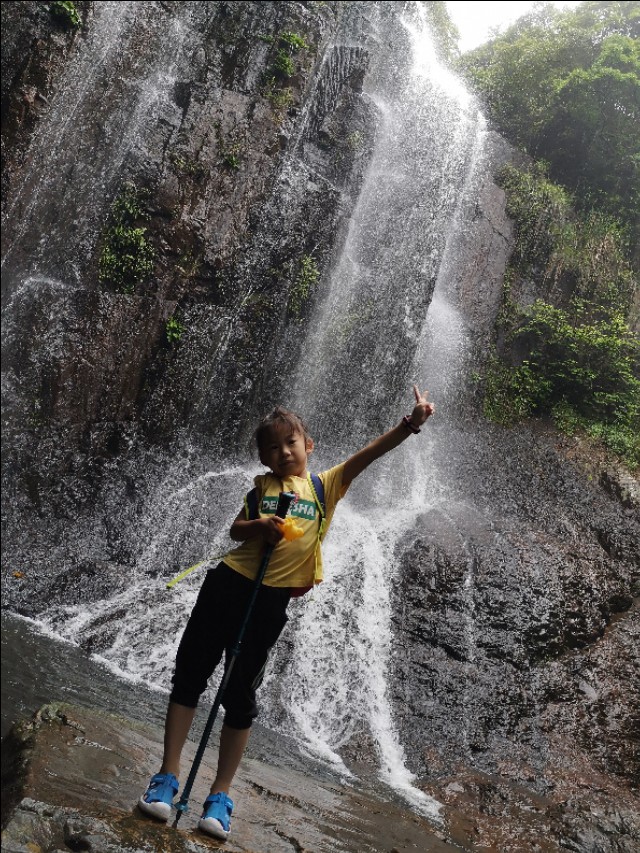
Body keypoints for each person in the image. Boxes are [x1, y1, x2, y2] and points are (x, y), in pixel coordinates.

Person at [138, 385, 435, 840]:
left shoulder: (324, 487)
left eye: (290, 443)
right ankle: (167, 777)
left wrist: (410, 424)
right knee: (190, 676)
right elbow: (237, 532)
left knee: (240, 696)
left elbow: (368, 454)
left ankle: (220, 795)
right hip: (228, 585)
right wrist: (258, 526)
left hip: (269, 601)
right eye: (272, 448)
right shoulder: (261, 489)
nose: (283, 452)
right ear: (263, 458)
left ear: (308, 446)